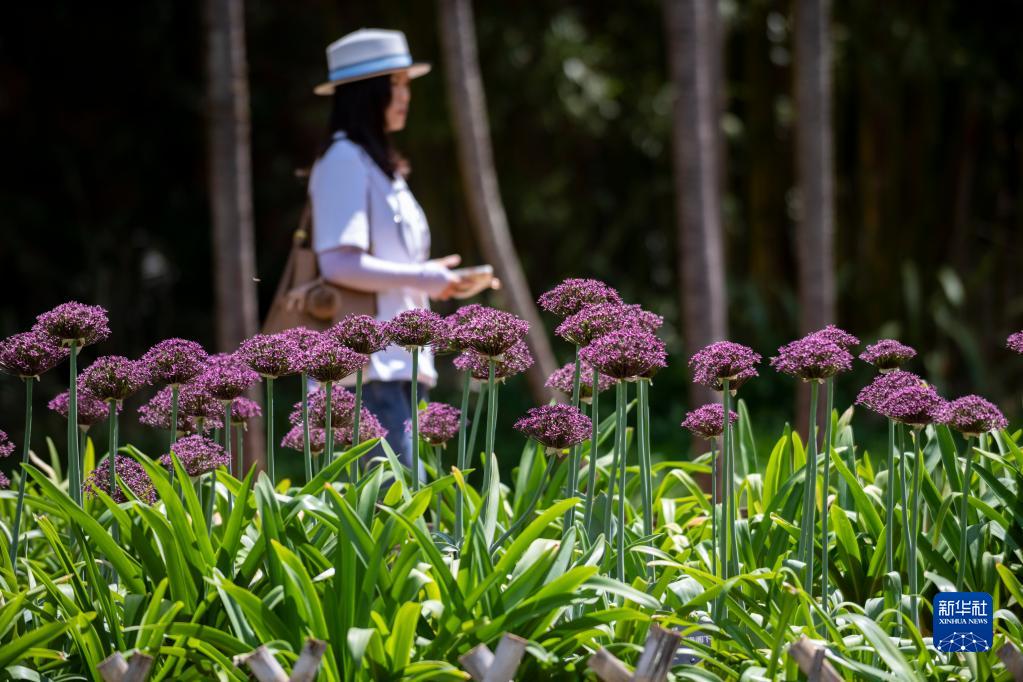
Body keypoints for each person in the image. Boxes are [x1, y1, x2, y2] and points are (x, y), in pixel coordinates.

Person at [308, 28, 494, 469]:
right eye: (396, 83)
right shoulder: (343, 160)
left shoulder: (380, 166)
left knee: (405, 515)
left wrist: (433, 276)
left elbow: (381, 263)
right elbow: (337, 262)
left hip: (401, 365)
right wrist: (423, 277)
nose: (406, 95)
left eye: (407, 84)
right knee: (389, 518)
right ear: (367, 92)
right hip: (370, 372)